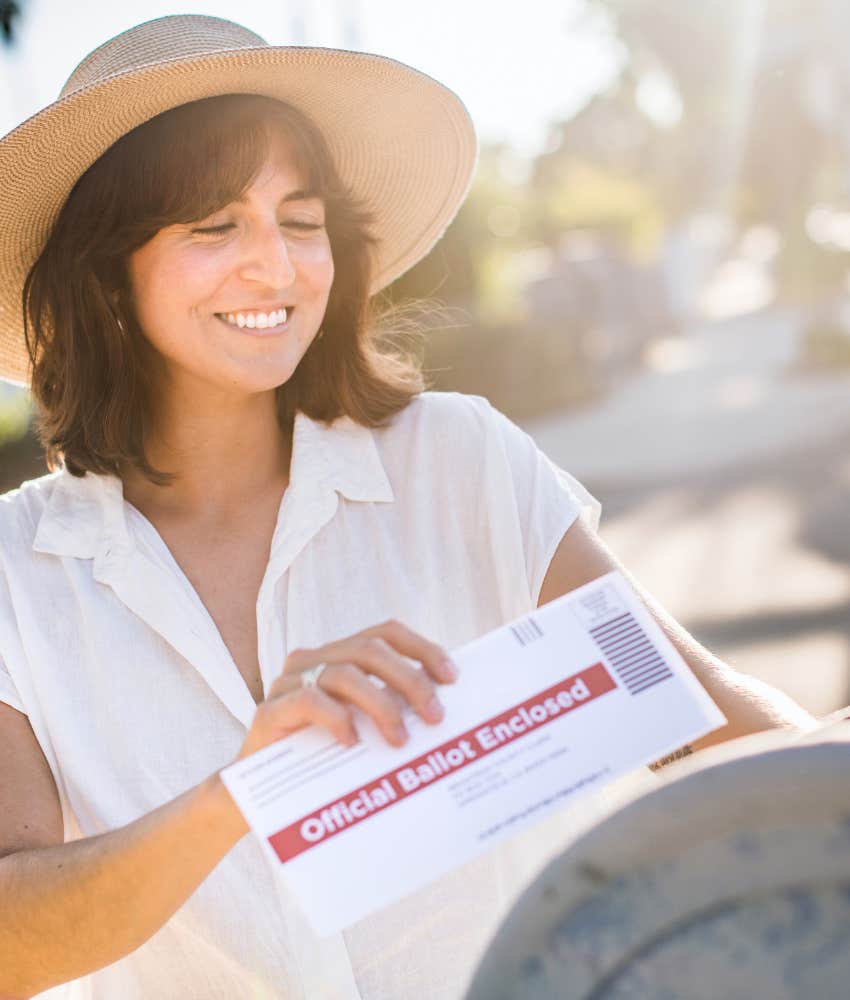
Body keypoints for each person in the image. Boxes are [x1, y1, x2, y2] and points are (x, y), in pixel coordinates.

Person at [0, 14, 816, 1000]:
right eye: (215, 225)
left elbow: (702, 717)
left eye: (301, 221)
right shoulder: (16, 569)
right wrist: (242, 794)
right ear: (106, 276)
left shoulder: (460, 463)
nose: (277, 264)